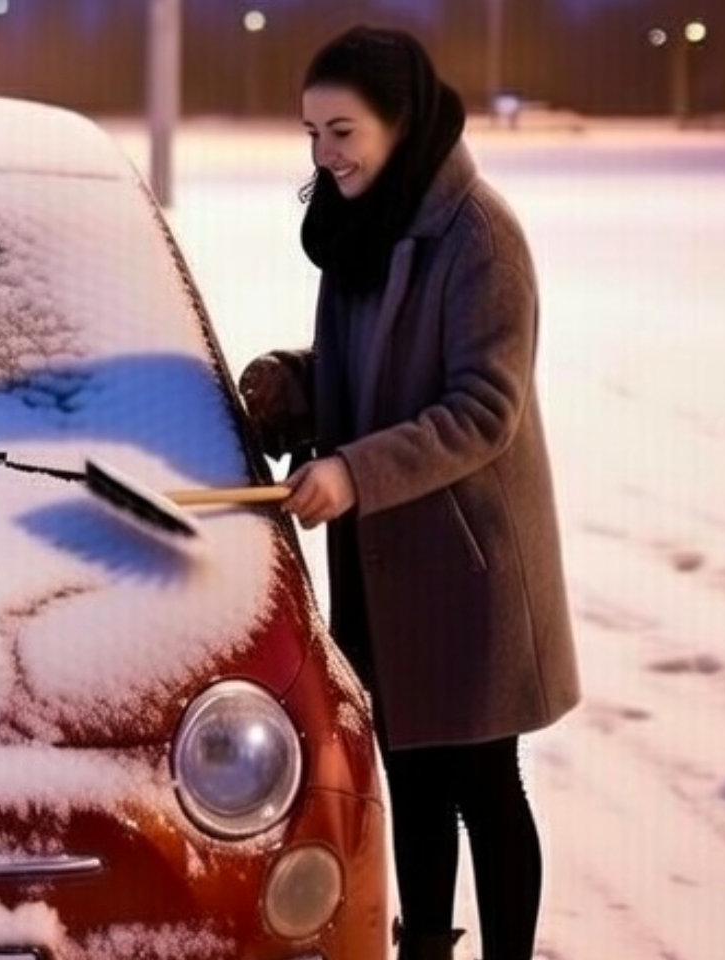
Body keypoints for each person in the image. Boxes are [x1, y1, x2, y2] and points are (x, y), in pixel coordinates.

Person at [239, 26, 580, 960]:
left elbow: (483, 411)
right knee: (414, 778)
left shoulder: (479, 239)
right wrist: (293, 385)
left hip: (467, 567)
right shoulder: (363, 225)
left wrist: (353, 472)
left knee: (483, 785)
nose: (325, 155)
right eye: (312, 134)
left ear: (400, 121)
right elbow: (365, 370)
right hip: (390, 564)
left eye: (342, 131)